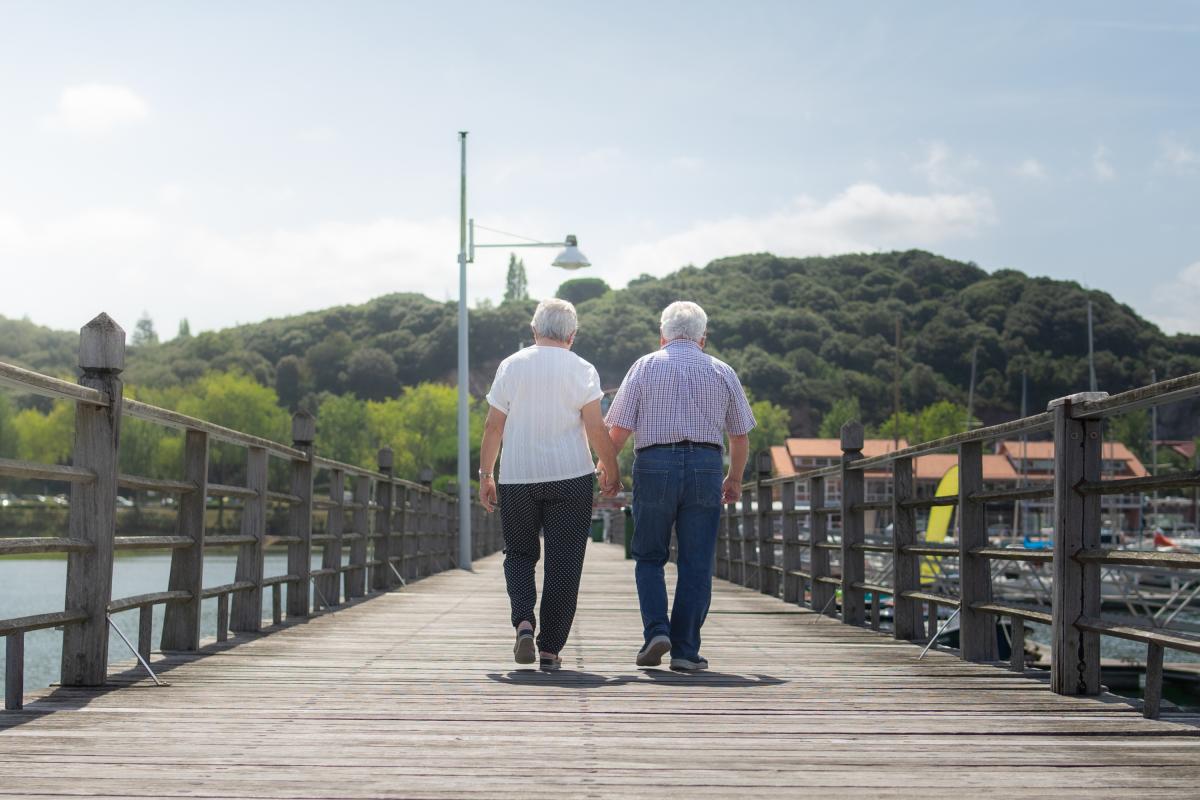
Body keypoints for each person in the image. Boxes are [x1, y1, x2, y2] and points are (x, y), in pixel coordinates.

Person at [603, 301, 755, 671]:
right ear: (703, 338)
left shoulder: (644, 366)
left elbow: (618, 430)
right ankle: (686, 651)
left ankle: (656, 630)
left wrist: (607, 470)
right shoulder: (722, 371)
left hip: (655, 463)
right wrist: (733, 478)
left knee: (650, 556)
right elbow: (739, 435)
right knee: (697, 562)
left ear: (662, 336)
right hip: (706, 465)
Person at [478, 298, 621, 671]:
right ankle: (550, 649)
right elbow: (594, 427)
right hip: (571, 476)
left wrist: (486, 475)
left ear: (534, 330)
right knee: (564, 562)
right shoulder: (583, 369)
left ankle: (524, 621)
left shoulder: (511, 365)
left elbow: (494, 426)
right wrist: (611, 466)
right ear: (572, 335)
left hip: (518, 476)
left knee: (520, 553)